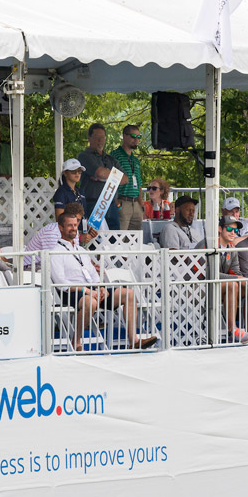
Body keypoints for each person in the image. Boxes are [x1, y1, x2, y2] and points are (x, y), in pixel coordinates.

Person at [48, 207, 157, 351]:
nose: (74, 228)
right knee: (90, 301)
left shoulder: (81, 250)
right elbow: (61, 283)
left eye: (75, 225)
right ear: (61, 228)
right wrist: (87, 291)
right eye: (69, 225)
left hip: (92, 290)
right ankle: (77, 342)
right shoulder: (56, 252)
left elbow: (93, 274)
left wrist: (101, 287)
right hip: (72, 292)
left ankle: (134, 340)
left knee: (128, 294)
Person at [217, 215, 248, 343]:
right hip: (199, 287)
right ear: (219, 229)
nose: (233, 233)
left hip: (220, 286)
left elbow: (236, 271)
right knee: (233, 284)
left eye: (235, 230)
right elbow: (210, 274)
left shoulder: (231, 248)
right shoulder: (209, 244)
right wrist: (238, 278)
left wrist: (246, 282)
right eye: (229, 229)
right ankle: (232, 331)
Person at [78, 123, 126, 226]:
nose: (100, 140)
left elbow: (125, 179)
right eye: (97, 137)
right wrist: (113, 175)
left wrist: (104, 179)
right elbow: (99, 172)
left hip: (112, 205)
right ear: (89, 138)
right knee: (95, 239)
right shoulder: (84, 156)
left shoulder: (110, 159)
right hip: (93, 205)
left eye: (102, 137)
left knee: (114, 239)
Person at [25, 202, 94, 268]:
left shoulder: (73, 232)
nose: (75, 223)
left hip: (44, 268)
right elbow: (52, 260)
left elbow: (75, 255)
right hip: (30, 269)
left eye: (78, 220)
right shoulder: (51, 232)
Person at [110, 123, 144, 230]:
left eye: (139, 137)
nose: (136, 140)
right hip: (122, 201)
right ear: (124, 136)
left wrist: (141, 204)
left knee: (136, 239)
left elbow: (139, 184)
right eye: (133, 136)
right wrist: (116, 201)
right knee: (121, 239)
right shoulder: (115, 155)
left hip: (136, 204)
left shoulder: (135, 160)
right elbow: (110, 181)